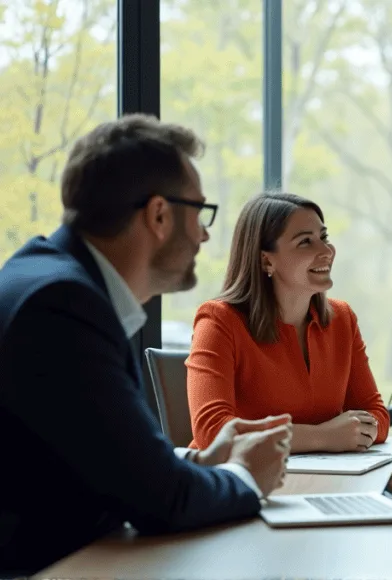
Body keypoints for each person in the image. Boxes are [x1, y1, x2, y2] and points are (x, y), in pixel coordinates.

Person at [0, 115, 292, 576]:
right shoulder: (62, 306)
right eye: (199, 212)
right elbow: (162, 502)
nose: (204, 234)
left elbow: (94, 455)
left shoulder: (45, 276)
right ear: (159, 215)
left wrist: (195, 459)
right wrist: (245, 477)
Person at [186, 192, 390, 453]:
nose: (326, 251)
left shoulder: (343, 319)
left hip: (321, 483)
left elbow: (377, 416)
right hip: (238, 485)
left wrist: (356, 429)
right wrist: (323, 437)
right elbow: (213, 432)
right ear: (266, 259)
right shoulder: (218, 321)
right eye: (306, 242)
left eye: (323, 238)